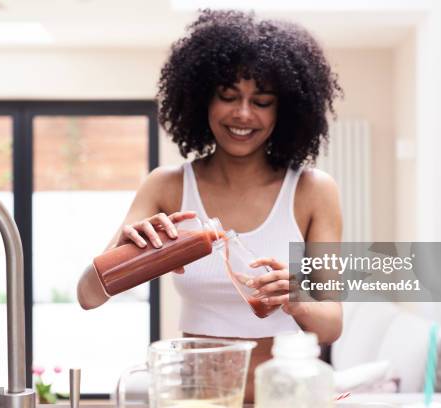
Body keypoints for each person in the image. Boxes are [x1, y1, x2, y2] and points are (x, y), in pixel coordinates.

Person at [77, 9, 344, 402]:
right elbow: (88, 296)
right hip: (199, 397)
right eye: (228, 96)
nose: (243, 113)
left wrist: (296, 298)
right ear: (203, 98)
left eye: (262, 101)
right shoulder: (166, 186)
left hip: (286, 397)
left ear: (282, 110)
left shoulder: (312, 190)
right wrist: (127, 247)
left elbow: (332, 324)